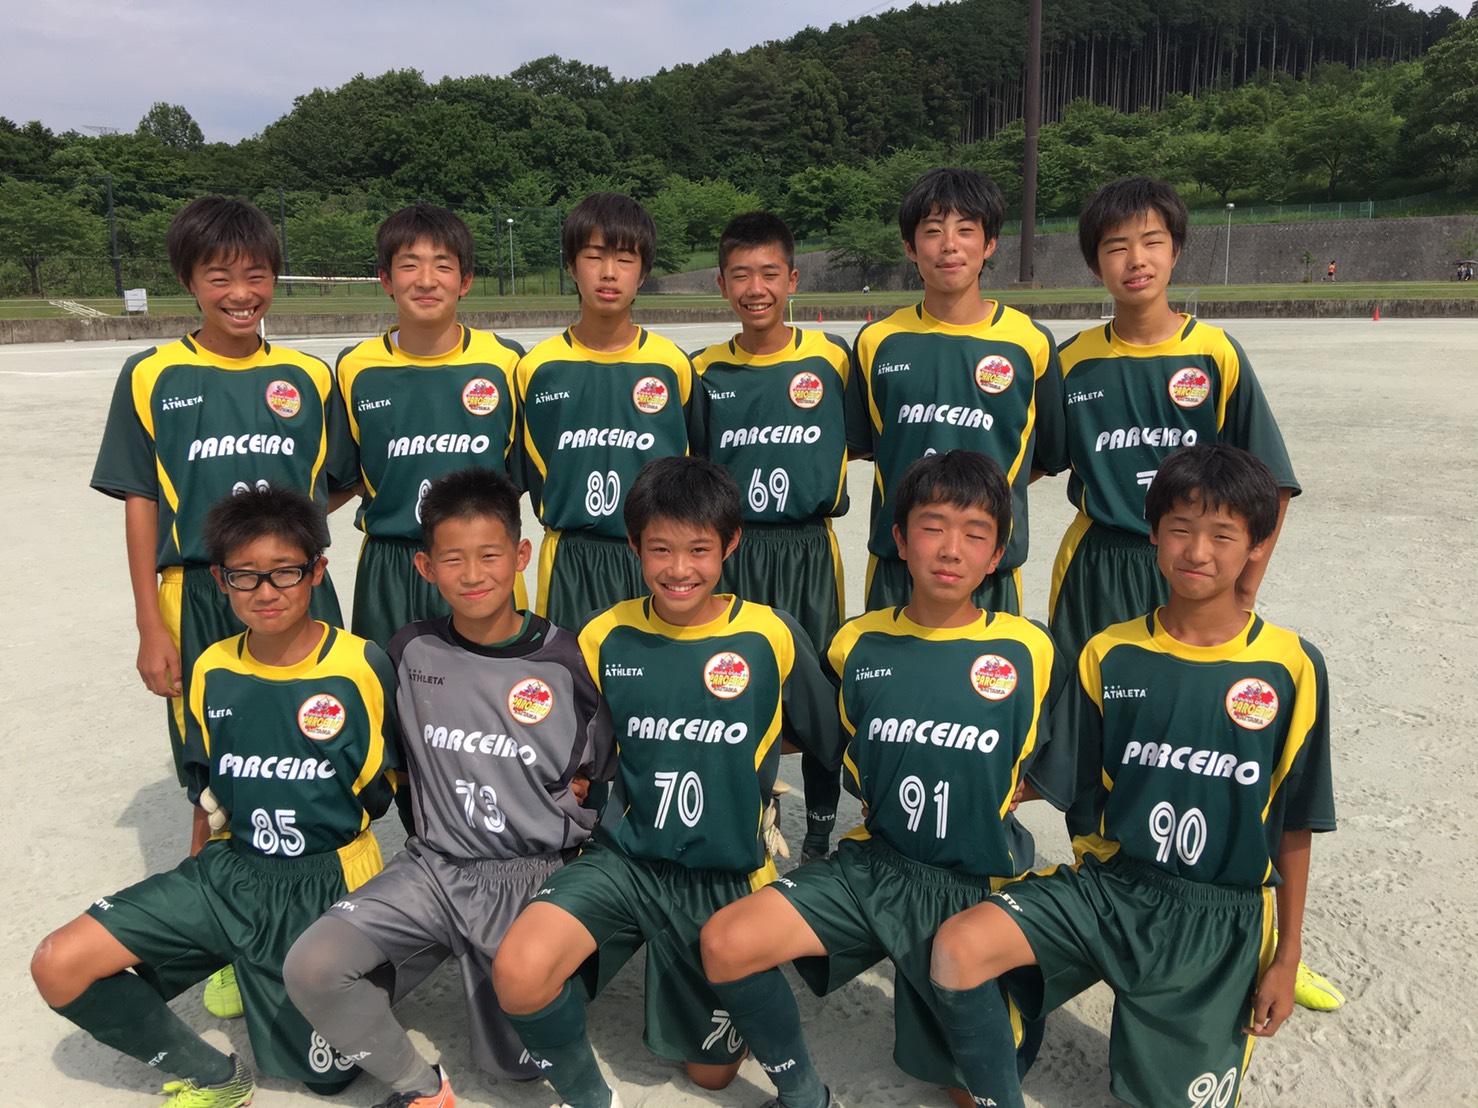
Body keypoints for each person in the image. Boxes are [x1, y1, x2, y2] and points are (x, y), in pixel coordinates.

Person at [929, 444, 1337, 1108]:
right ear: (1153, 532)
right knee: (957, 950)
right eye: (1180, 528)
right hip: (1111, 888)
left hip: (1216, 920)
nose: (1196, 551)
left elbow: (1297, 822)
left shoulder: (1290, 666)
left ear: (1258, 544)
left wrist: (1287, 957)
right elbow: (1047, 776)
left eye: (1222, 535)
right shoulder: (1110, 652)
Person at [1046, 176, 1338, 1010]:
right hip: (1098, 563)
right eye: (1115, 246)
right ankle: (1104, 899)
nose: (1134, 260)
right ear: (1094, 263)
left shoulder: (1215, 354)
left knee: (1223, 752)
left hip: (1193, 568)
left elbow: (1271, 483)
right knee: (1092, 738)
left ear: (1176, 250)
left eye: (1150, 242)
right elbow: (1021, 452)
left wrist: (1244, 587)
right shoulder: (1072, 360)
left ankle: (1265, 933)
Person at [701, 451, 1064, 1108]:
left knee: (965, 1090)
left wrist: (1018, 787)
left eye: (974, 533)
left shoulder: (1029, 648)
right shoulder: (856, 644)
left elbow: (1075, 751)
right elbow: (808, 731)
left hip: (974, 884)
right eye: (932, 526)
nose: (950, 549)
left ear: (998, 554)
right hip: (874, 867)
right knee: (728, 942)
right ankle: (805, 1096)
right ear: (899, 538)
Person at [491, 456, 844, 1108]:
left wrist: (807, 824)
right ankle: (591, 1099)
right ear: (633, 545)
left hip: (725, 875)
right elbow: (577, 746)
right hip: (627, 862)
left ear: (731, 544)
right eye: (660, 549)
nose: (679, 569)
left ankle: (804, 1092)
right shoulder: (604, 634)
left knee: (710, 1075)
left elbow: (829, 742)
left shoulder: (770, 634)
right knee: (519, 971)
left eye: (699, 549)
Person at [31, 486, 399, 1108]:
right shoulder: (212, 668)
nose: (265, 590)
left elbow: (401, 781)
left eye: (284, 571)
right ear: (220, 581)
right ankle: (216, 1075)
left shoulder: (363, 665)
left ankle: (280, 966)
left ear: (316, 571)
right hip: (231, 871)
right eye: (244, 575)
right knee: (58, 964)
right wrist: (200, 880)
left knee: (328, 1076)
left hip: (324, 880)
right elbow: (208, 789)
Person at [284, 467, 615, 1108]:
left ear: (521, 555)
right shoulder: (409, 652)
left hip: (531, 875)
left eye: (490, 555)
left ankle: (534, 971)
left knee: (515, 1067)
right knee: (314, 969)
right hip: (433, 868)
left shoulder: (567, 659)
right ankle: (422, 1091)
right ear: (425, 566)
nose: (472, 574)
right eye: (453, 559)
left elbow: (604, 772)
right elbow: (382, 750)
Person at [91, 196, 356, 832]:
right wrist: (149, 624)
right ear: (188, 280)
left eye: (256, 275)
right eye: (219, 277)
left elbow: (339, 481)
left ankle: (323, 869)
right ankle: (210, 871)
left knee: (315, 736)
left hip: (296, 584)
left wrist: (286, 537)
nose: (241, 294)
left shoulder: (310, 376)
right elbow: (141, 502)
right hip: (198, 591)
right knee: (212, 760)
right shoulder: (151, 374)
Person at [690, 210, 855, 862]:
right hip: (735, 551)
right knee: (733, 689)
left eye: (768, 274)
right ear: (721, 285)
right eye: (740, 275)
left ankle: (818, 832)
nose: (755, 289)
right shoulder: (704, 371)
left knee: (819, 696)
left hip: (809, 548)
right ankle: (750, 814)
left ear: (792, 278)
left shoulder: (834, 359)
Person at [847, 167, 1066, 614]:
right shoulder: (877, 341)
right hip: (898, 568)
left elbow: (1044, 457)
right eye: (933, 231)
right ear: (910, 247)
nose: (949, 245)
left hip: (991, 571)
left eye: (966, 230)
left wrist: (976, 504)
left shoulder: (1030, 342)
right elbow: (871, 447)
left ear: (990, 243)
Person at [335, 203, 527, 648]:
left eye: (442, 265)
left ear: (465, 280)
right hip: (391, 566)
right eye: (409, 265)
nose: (425, 280)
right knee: (387, 687)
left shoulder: (507, 362)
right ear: (386, 280)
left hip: (480, 565)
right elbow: (345, 475)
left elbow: (518, 475)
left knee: (489, 687)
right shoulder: (355, 367)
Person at [515, 192, 692, 632]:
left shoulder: (672, 365)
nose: (609, 272)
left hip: (656, 557)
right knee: (570, 670)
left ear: (643, 272)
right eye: (594, 256)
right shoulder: (537, 368)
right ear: (572, 267)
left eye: (625, 259)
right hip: (570, 559)